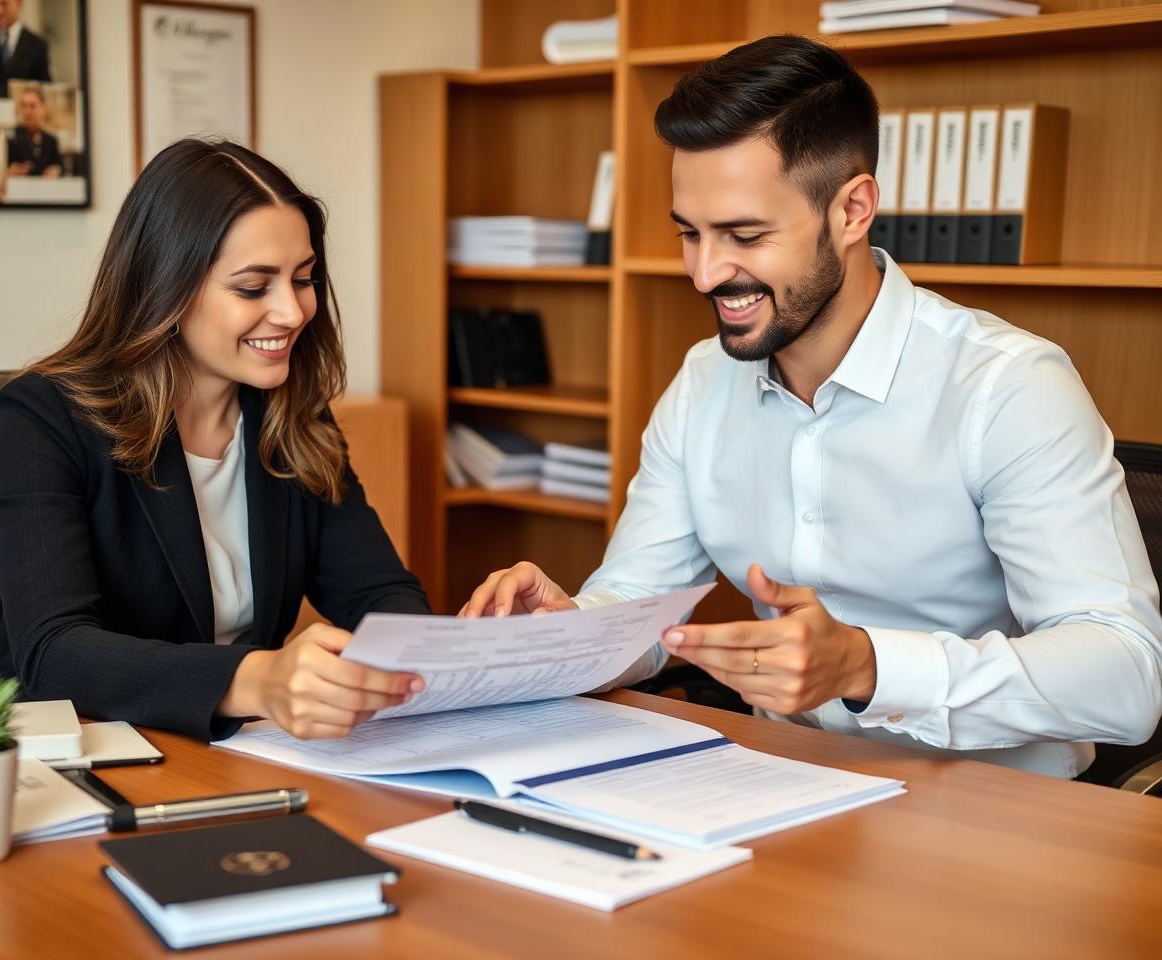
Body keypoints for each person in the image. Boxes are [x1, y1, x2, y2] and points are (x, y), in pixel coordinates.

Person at [461, 35, 1162, 778]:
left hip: (996, 809)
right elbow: (641, 601)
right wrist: (573, 632)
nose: (704, 273)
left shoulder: (1007, 387)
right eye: (689, 234)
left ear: (853, 209)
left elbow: (1127, 676)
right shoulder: (703, 384)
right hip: (784, 782)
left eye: (745, 235)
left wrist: (866, 667)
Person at [0, 139, 429, 742]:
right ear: (166, 289)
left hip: (237, 752)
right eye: (253, 287)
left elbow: (379, 592)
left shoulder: (293, 415)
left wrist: (450, 654)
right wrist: (258, 680)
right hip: (74, 754)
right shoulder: (43, 418)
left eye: (303, 279)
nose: (294, 312)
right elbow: (54, 651)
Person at [7, 84, 61, 177]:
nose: (27, 112)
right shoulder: (12, 137)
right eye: (23, 106)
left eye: (32, 106)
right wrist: (10, 172)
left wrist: (56, 170)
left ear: (43, 108)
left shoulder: (51, 140)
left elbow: (60, 166)